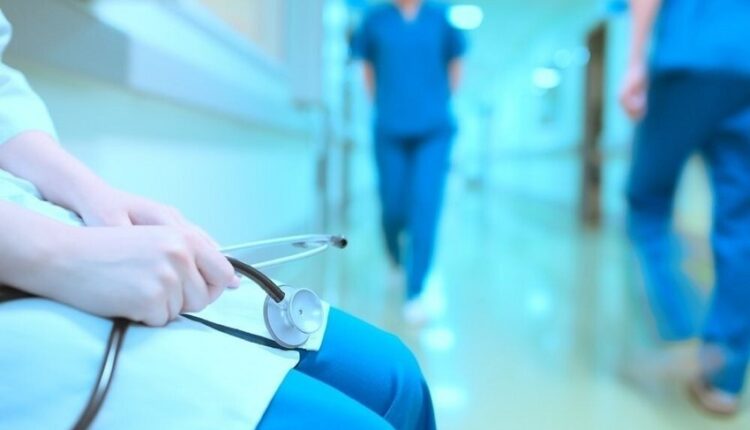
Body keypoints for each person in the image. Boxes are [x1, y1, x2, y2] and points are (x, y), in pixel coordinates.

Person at [0, 10, 435, 429]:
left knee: (398, 378)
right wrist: (53, 255)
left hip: (33, 211)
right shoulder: (378, 22)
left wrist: (95, 196)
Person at [620, 0, 750, 416]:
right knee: (740, 220)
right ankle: (724, 380)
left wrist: (634, 63)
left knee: (647, 202)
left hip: (689, 57)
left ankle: (684, 330)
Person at [353, 0, 466, 324]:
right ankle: (394, 255)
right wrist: (387, 105)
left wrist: (435, 103)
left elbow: (456, 64)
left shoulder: (439, 17)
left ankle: (416, 290)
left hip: (433, 130)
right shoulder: (375, 20)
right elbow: (367, 70)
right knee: (393, 207)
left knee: (425, 205)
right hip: (389, 128)